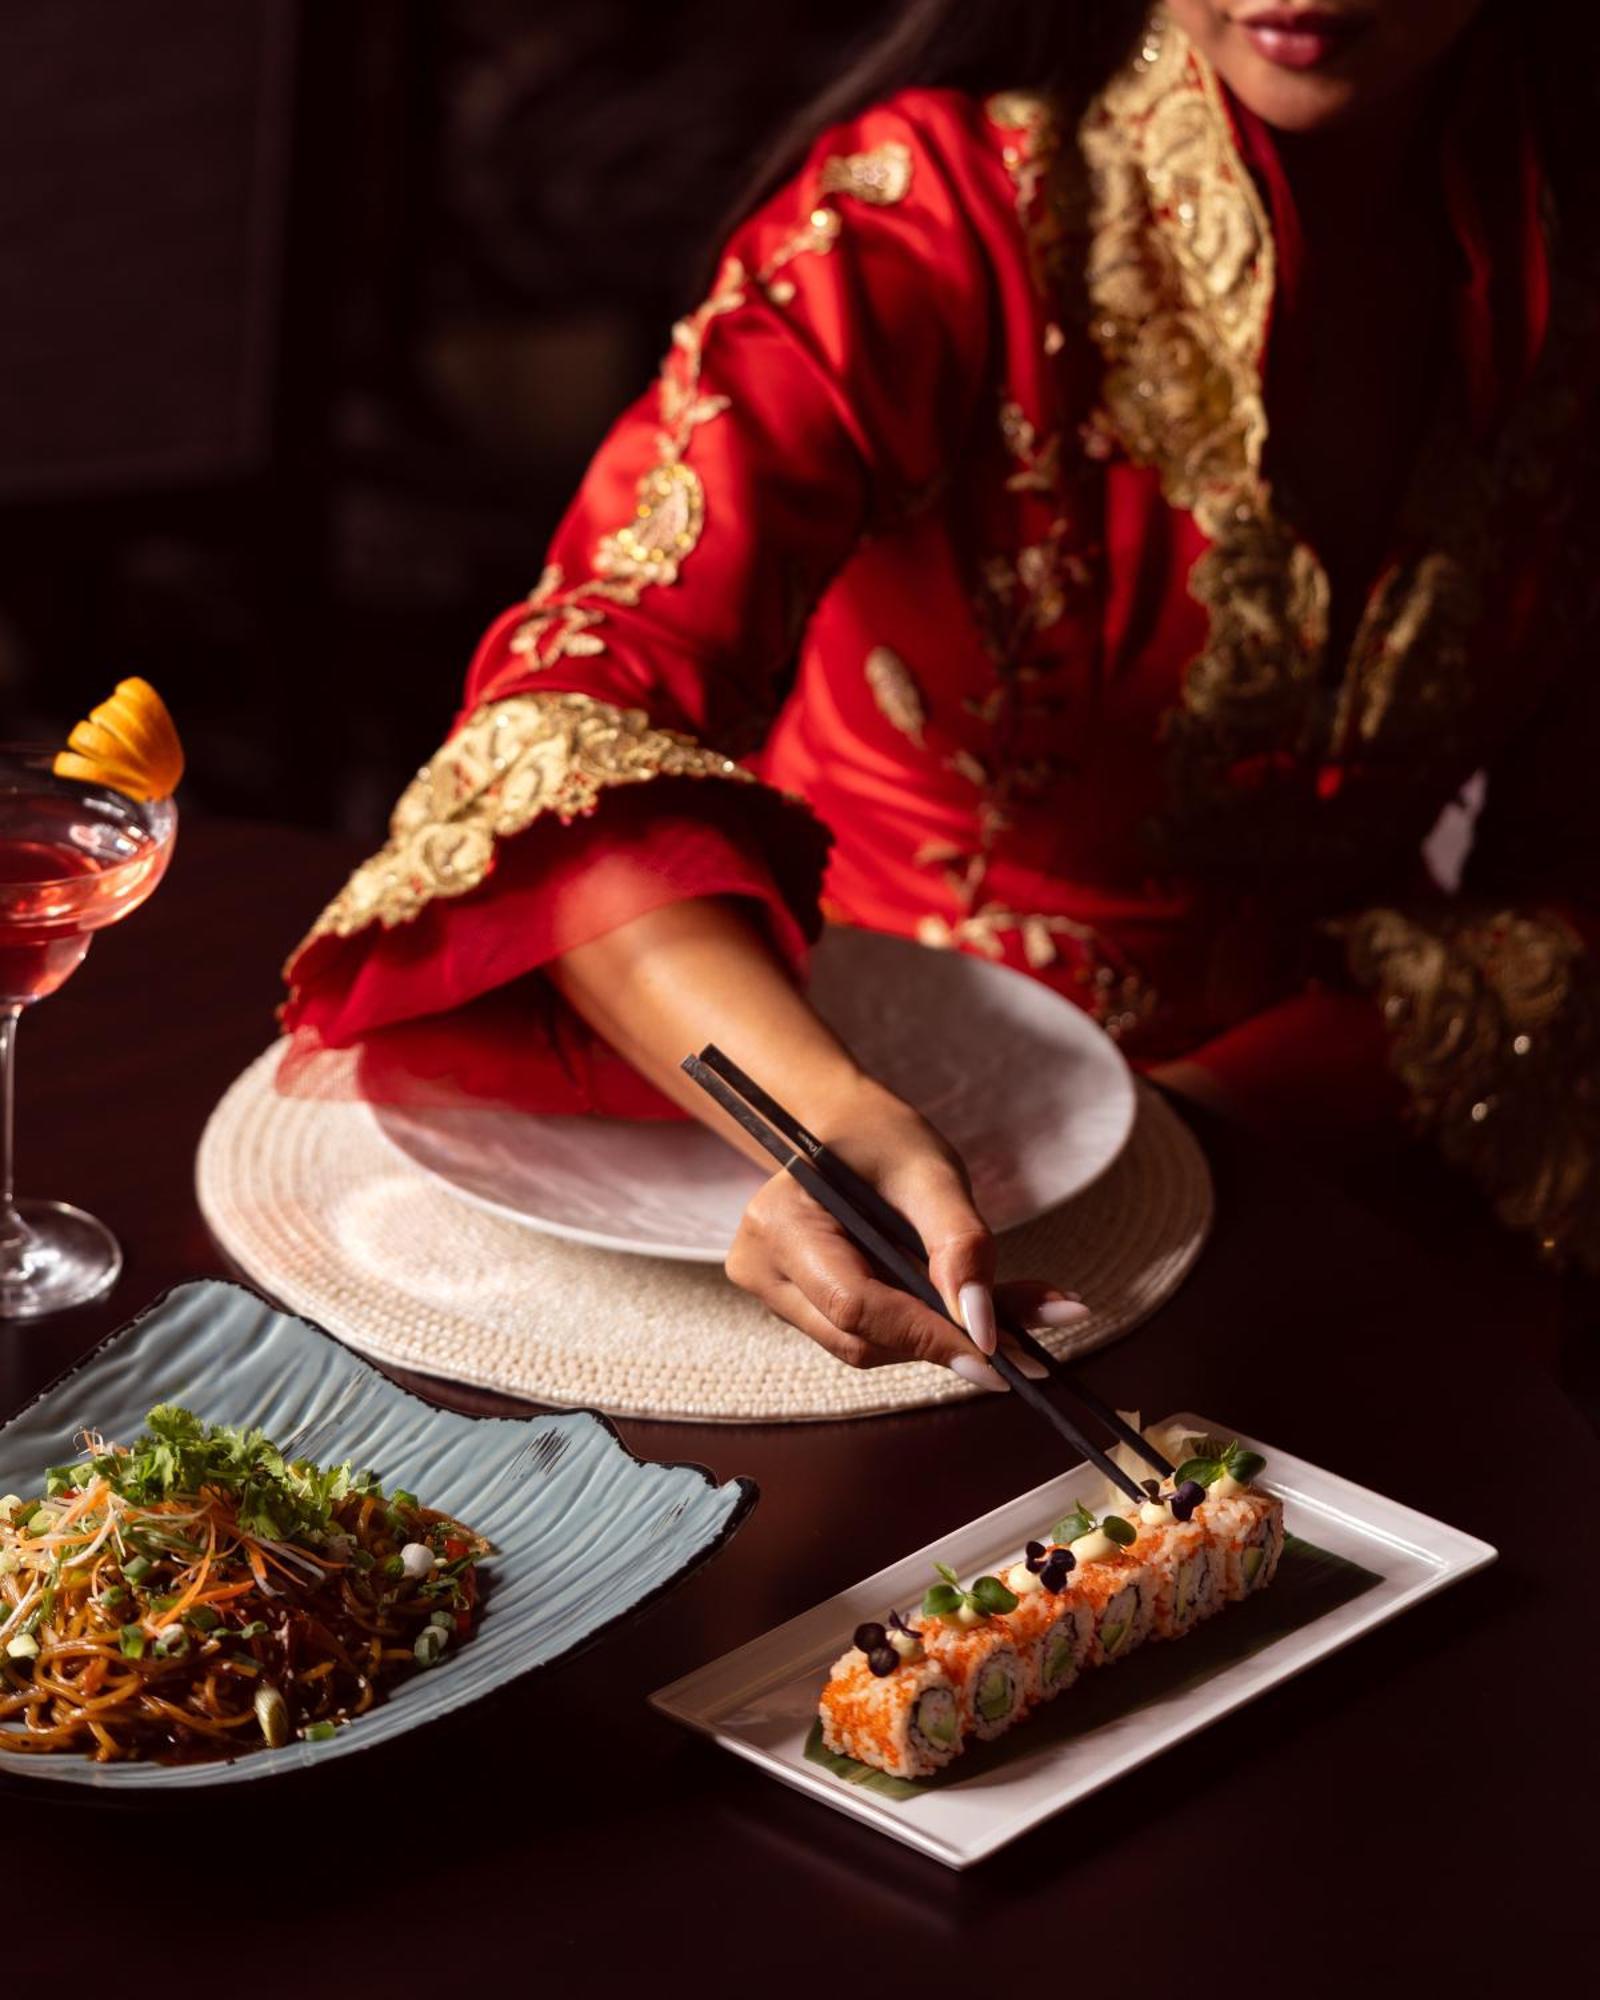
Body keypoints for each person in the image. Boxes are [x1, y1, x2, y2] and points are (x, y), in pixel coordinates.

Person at [283, 0, 1600, 1387]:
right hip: (887, 1160)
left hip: (1352, 1144)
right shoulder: (942, 214)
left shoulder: (1567, 273)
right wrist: (821, 1117)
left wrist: (1234, 1119)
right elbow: (569, 726)